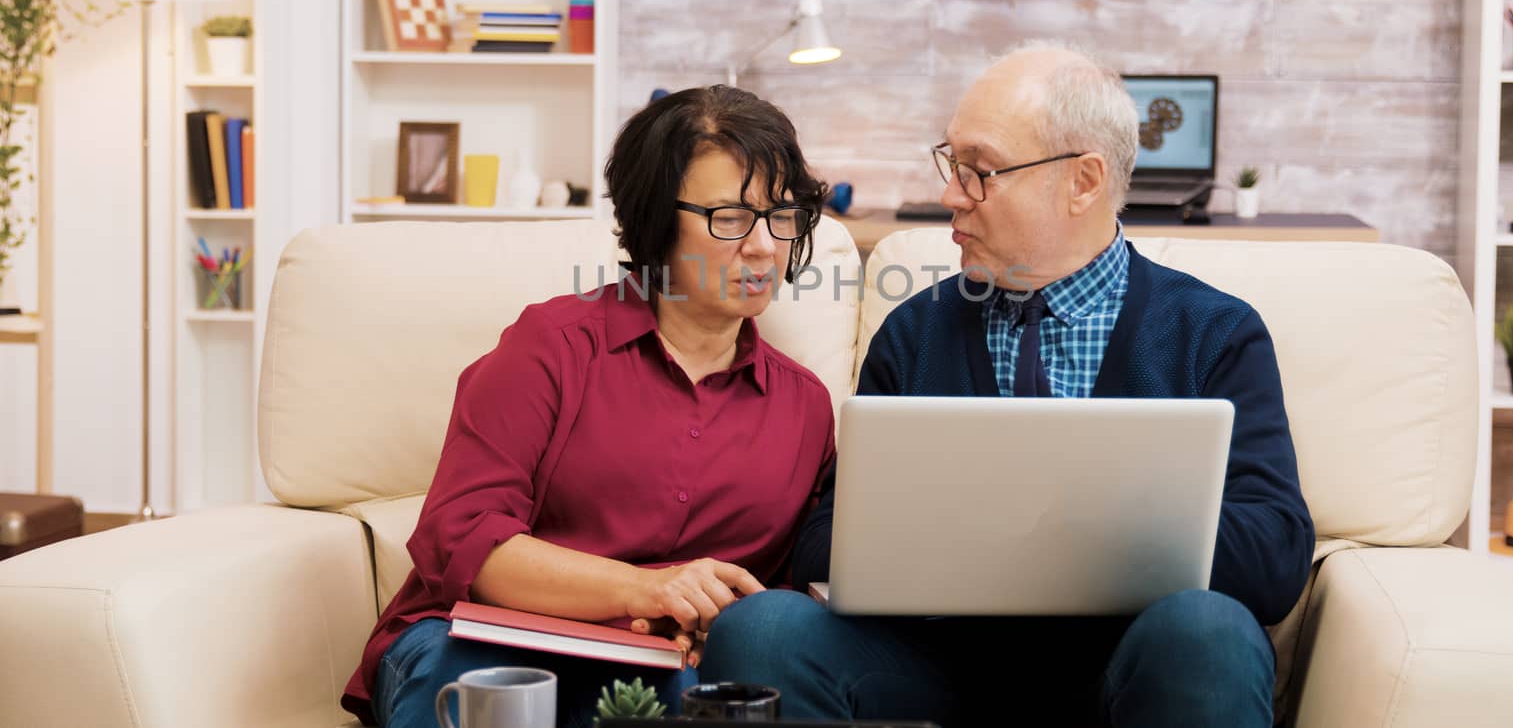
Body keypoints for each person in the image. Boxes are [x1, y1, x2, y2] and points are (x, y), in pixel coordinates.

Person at [698, 44, 1315, 728]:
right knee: (762, 631)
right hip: (932, 668)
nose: (950, 195)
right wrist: (949, 531)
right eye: (952, 165)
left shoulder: (1214, 334)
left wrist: (1097, 529)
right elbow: (822, 541)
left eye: (980, 172)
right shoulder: (914, 334)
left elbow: (1277, 554)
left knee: (1208, 631)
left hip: (1132, 665)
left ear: (1083, 182)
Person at [341, 85, 837, 728]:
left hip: (659, 671)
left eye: (781, 215)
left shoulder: (804, 406)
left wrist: (710, 628)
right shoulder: (552, 348)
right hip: (483, 643)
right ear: (658, 220)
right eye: (731, 218)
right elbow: (463, 541)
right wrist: (645, 587)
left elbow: (782, 605)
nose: (764, 247)